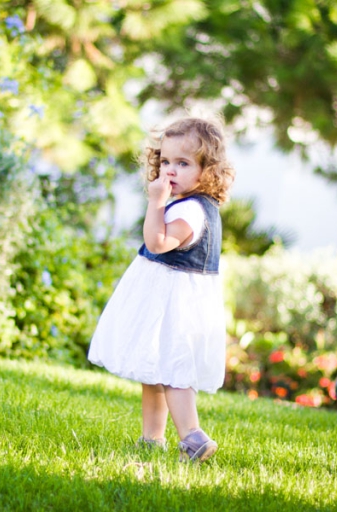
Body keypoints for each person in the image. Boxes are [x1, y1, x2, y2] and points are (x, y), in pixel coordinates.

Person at [88, 116, 235, 463]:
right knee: (153, 373)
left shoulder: (192, 212)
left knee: (173, 372)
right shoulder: (189, 205)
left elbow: (156, 241)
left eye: (183, 163)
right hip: (164, 301)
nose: (170, 170)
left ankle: (194, 437)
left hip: (176, 305)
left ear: (208, 170)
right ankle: (151, 440)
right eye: (165, 161)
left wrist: (155, 204)